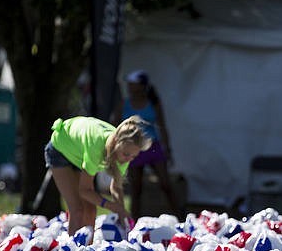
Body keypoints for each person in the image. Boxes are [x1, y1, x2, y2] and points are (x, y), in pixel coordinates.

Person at [44, 115, 151, 238]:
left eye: (133, 156)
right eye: (126, 155)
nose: (128, 160)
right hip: (60, 149)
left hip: (78, 154)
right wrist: (111, 206)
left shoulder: (124, 153)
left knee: (90, 210)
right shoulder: (97, 147)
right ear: (116, 143)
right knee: (77, 210)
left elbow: (116, 187)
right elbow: (84, 190)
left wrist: (121, 213)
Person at [112, 70, 181, 220]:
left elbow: (162, 126)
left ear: (142, 86)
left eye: (133, 84)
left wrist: (167, 148)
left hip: (153, 147)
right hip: (132, 149)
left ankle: (180, 218)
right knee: (136, 189)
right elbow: (115, 127)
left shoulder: (153, 103)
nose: (129, 87)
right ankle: (134, 222)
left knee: (165, 184)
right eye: (129, 84)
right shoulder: (124, 104)